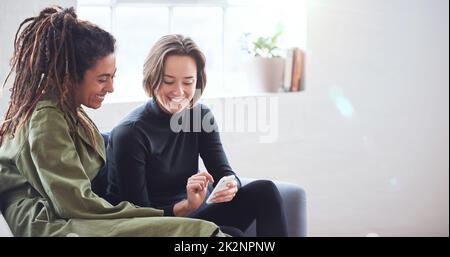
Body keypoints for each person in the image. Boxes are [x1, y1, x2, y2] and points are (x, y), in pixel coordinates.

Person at [0, 7, 225, 237]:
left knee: (203, 227)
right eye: (102, 79)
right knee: (196, 231)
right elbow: (74, 204)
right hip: (49, 220)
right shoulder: (46, 117)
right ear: (70, 75)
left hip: (72, 211)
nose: (111, 87)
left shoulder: (68, 110)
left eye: (112, 77)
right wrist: (156, 217)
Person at [105, 34, 288, 237]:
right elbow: (142, 219)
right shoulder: (130, 133)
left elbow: (225, 172)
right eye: (168, 81)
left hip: (192, 214)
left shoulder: (200, 116)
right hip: (151, 227)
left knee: (265, 191)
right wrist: (186, 206)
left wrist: (230, 185)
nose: (179, 91)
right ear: (152, 78)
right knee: (230, 234)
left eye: (188, 82)